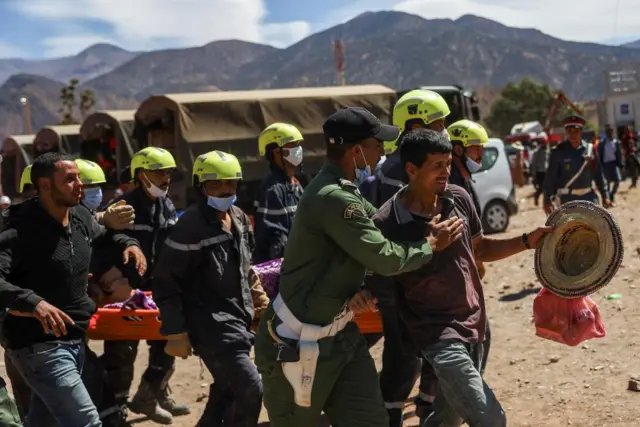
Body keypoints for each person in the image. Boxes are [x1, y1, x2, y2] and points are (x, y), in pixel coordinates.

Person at [254, 107, 465, 427]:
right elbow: (384, 255)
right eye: (376, 143)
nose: (382, 150)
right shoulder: (334, 197)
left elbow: (382, 226)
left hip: (341, 338)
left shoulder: (346, 191)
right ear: (356, 151)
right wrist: (431, 245)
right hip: (296, 344)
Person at [369, 128, 551, 427]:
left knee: (448, 418)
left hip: (477, 324)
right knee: (491, 418)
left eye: (448, 164)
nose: (445, 173)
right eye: (436, 166)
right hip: (438, 336)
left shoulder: (458, 198)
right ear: (411, 169)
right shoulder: (388, 222)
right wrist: (428, 244)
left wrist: (527, 241)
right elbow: (382, 278)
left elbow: (480, 248)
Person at [0, 152, 146, 427]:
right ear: (44, 185)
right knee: (87, 422)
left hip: (74, 340)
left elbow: (105, 236)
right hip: (38, 347)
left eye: (78, 177)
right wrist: (34, 303)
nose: (80, 184)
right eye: (70, 179)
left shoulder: (79, 215)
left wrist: (129, 244)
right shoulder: (16, 228)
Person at [359, 89, 452, 427]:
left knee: (418, 353)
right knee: (403, 357)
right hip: (401, 278)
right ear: (414, 126)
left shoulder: (404, 164)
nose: (444, 131)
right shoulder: (402, 169)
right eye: (438, 124)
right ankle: (390, 416)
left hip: (417, 274)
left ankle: (420, 406)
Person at [153, 150, 264, 427]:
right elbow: (166, 280)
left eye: (230, 183)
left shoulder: (238, 217)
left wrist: (260, 304)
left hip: (237, 320)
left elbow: (246, 268)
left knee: (227, 390)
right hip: (210, 326)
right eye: (216, 184)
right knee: (249, 387)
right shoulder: (191, 226)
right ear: (201, 186)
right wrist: (175, 330)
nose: (225, 189)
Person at [100, 146, 189, 424]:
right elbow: (103, 247)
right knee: (122, 352)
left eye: (168, 172)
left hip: (156, 292)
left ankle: (151, 396)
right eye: (158, 172)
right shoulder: (123, 208)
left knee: (166, 346)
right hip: (126, 293)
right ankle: (116, 408)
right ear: (141, 176)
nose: (165, 178)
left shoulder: (167, 205)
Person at [253, 123, 305, 263]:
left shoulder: (295, 183)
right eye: (292, 145)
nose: (298, 150)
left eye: (298, 144)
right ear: (277, 153)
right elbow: (275, 242)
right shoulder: (273, 191)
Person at [543, 115, 611, 214]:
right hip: (567, 201)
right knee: (570, 229)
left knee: (593, 228)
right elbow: (550, 178)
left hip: (589, 199)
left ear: (581, 131)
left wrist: (605, 196)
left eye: (576, 131)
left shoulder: (590, 150)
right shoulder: (558, 152)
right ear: (565, 132)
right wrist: (547, 200)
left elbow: (599, 175)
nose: (572, 134)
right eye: (569, 131)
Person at [75, 159, 135, 230]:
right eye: (90, 186)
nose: (96, 189)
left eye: (97, 185)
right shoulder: (71, 218)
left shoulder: (95, 211)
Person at [598, 125, 623, 204]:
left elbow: (619, 153)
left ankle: (612, 194)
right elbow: (599, 154)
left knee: (618, 180)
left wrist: (620, 163)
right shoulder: (602, 143)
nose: (610, 133)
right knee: (607, 183)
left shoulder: (616, 142)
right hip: (605, 165)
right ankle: (608, 200)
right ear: (606, 133)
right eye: (608, 131)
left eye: (611, 131)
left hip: (614, 164)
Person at [531, 134, 551, 206]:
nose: (545, 144)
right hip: (539, 172)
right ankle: (536, 196)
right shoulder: (536, 152)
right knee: (541, 188)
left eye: (546, 143)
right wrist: (533, 174)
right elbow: (534, 163)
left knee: (547, 187)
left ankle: (547, 202)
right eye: (544, 143)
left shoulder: (548, 151)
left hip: (547, 172)